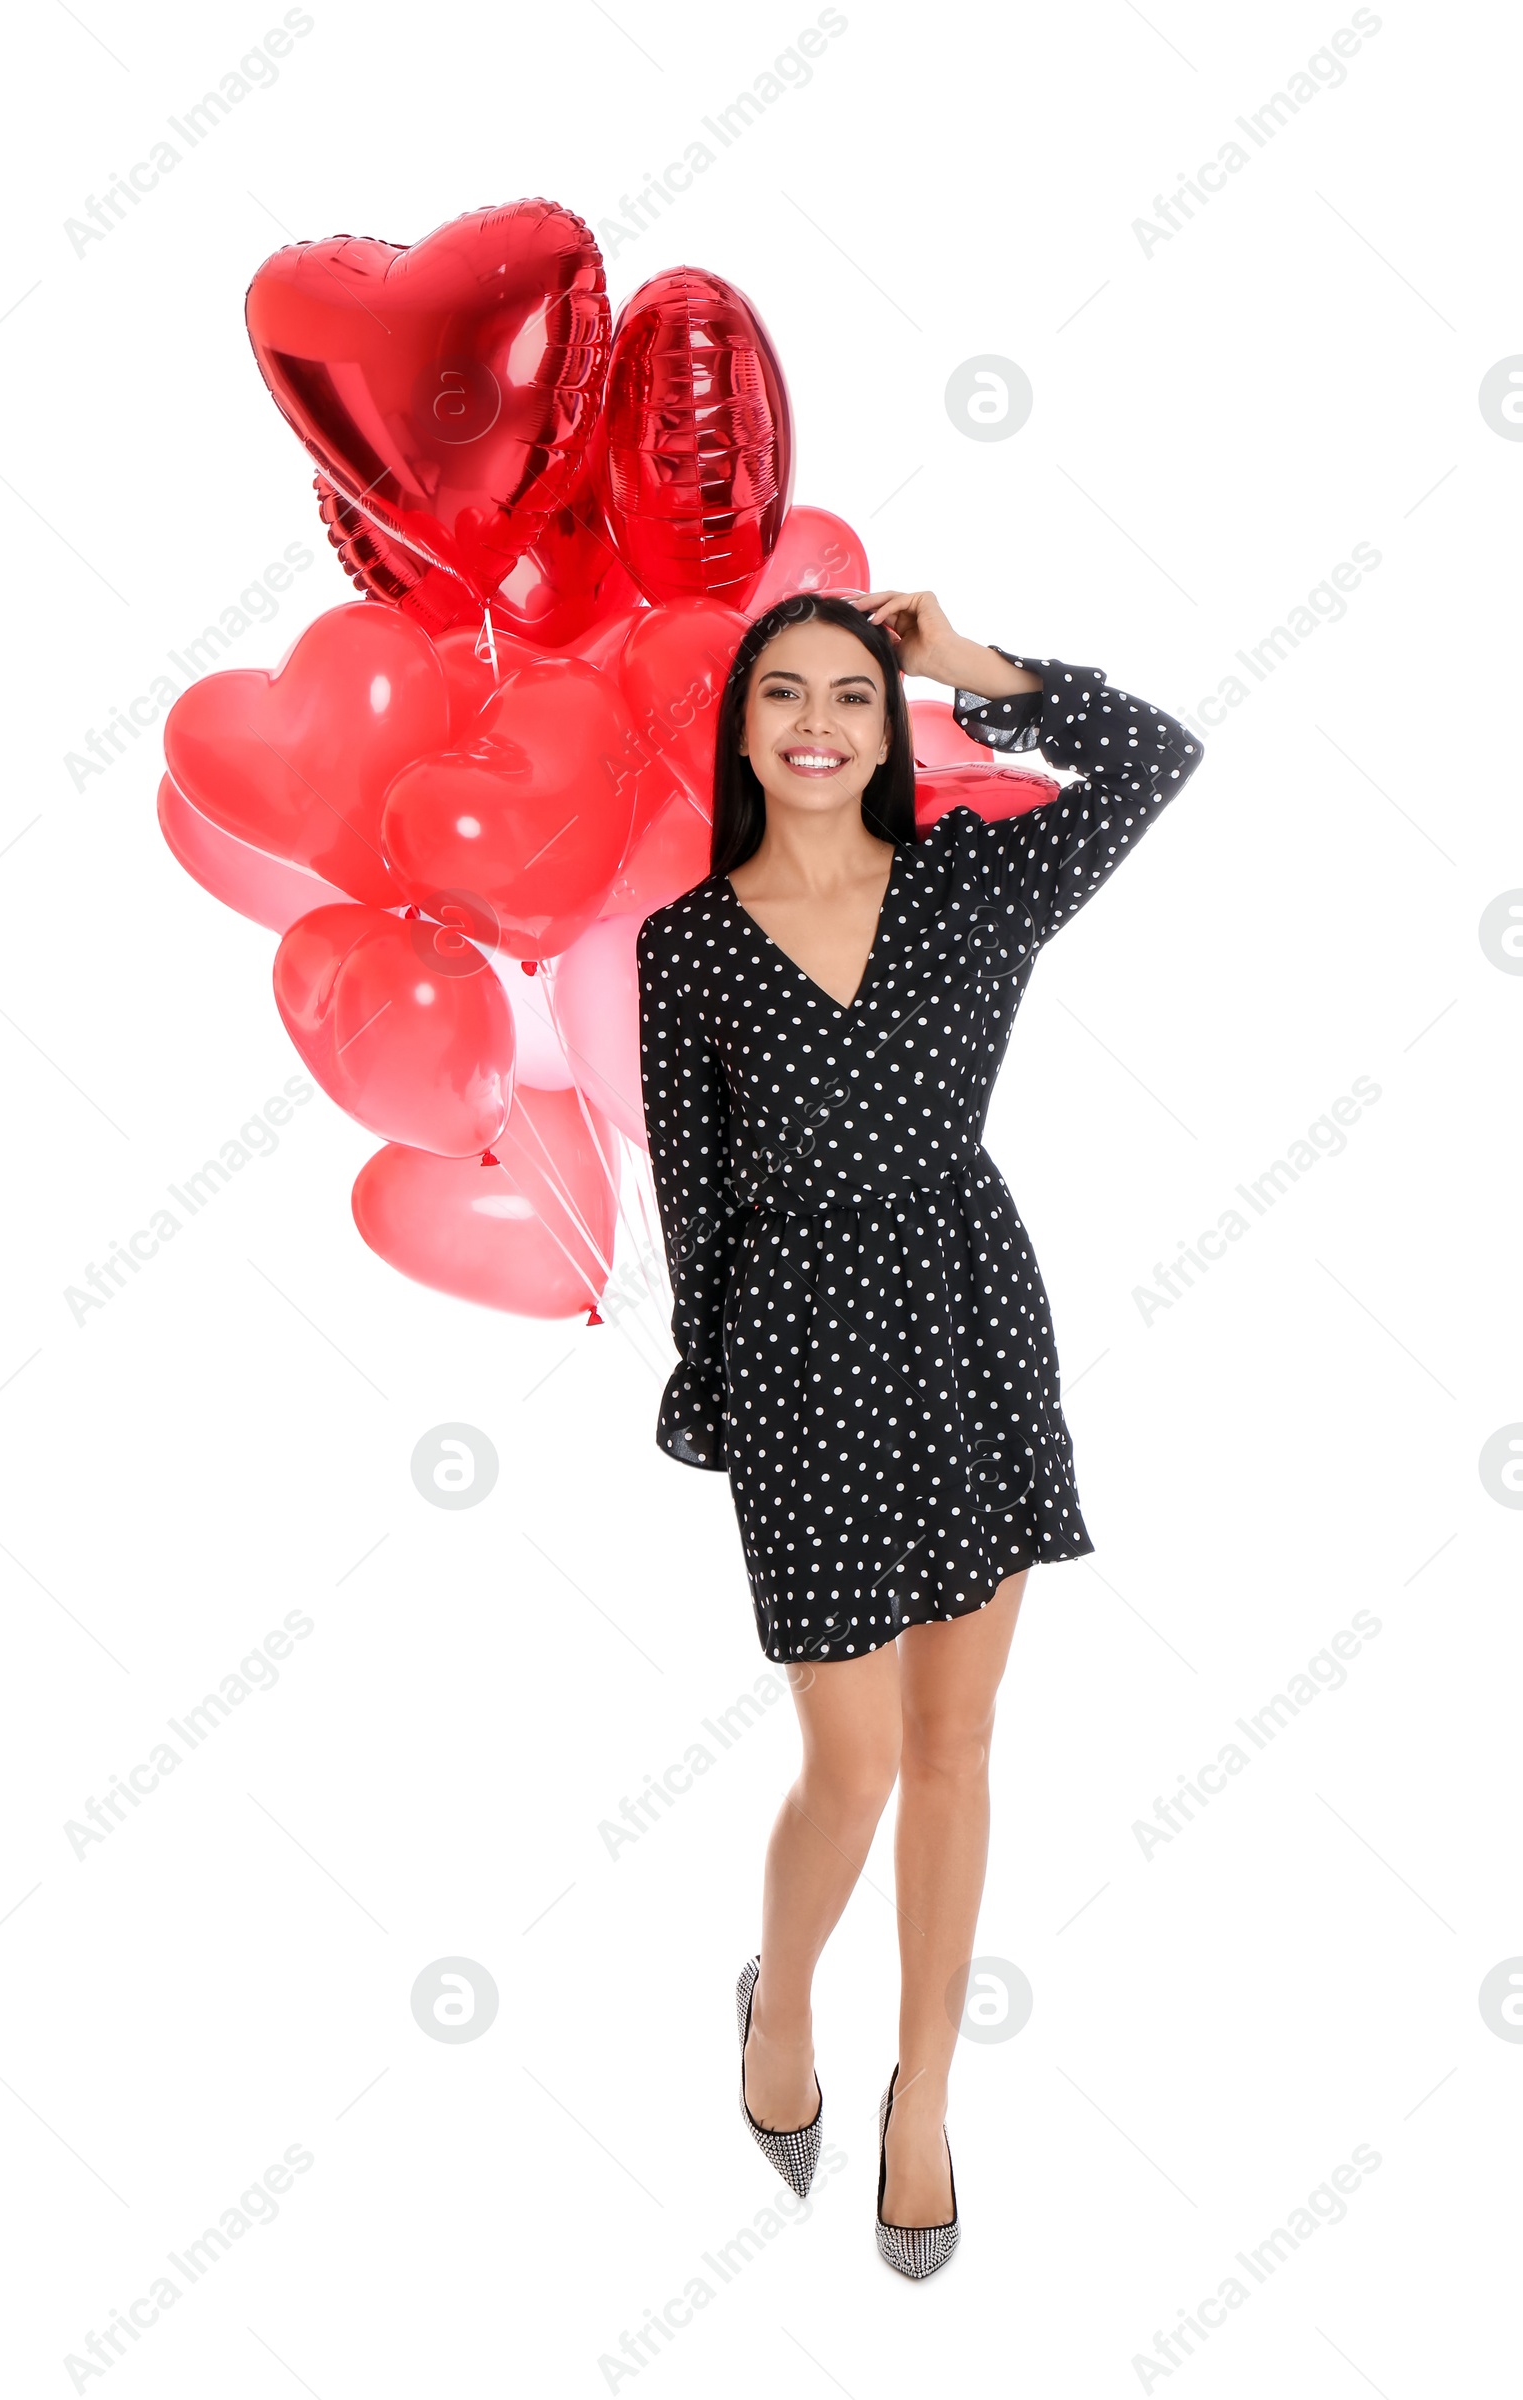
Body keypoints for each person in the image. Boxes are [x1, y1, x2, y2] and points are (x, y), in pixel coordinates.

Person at [634, 587, 1205, 2278]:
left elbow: (1153, 758)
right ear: (741, 729)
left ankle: (925, 2099)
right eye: (787, 695)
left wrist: (975, 666)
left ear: (890, 732)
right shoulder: (689, 948)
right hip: (802, 1355)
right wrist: (727, 1403)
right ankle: (781, 2009)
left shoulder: (971, 880)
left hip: (967, 1326)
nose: (820, 720)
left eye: (857, 697)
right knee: (855, 1760)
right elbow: (699, 1214)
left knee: (958, 1748)